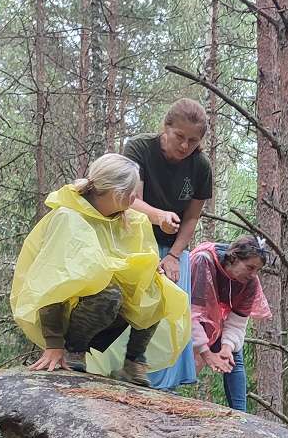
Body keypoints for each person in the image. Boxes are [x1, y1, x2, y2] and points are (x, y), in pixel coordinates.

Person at [11, 153, 191, 385]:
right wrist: (53, 343)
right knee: (109, 294)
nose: (135, 198)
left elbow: (135, 263)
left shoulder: (129, 220)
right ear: (116, 193)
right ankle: (73, 350)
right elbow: (50, 283)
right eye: (131, 192)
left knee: (158, 289)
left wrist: (151, 270)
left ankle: (134, 361)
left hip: (107, 307)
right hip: (73, 308)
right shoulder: (69, 217)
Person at [122, 99, 215, 390]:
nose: (185, 145)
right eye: (180, 137)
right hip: (136, 242)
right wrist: (158, 216)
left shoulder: (200, 167)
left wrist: (174, 256)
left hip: (173, 249)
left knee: (172, 315)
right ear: (166, 127)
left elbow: (191, 218)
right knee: (134, 309)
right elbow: (130, 200)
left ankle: (165, 387)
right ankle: (127, 373)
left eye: (193, 141)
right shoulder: (138, 148)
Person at [187, 236, 272, 411]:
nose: (253, 275)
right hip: (182, 317)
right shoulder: (204, 261)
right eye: (250, 267)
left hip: (215, 320)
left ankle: (240, 415)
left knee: (234, 355)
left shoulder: (250, 283)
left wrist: (226, 347)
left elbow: (238, 322)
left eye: (257, 270)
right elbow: (191, 314)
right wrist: (207, 354)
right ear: (233, 258)